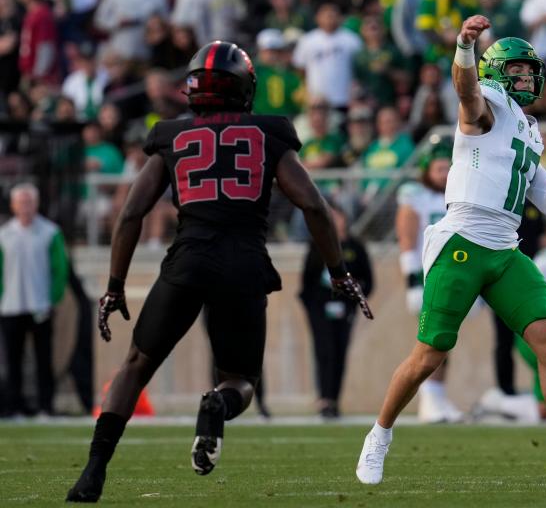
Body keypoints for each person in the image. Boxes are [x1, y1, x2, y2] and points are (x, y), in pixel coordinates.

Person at [66, 41, 372, 502]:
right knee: (241, 381)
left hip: (188, 259)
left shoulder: (171, 135)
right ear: (244, 88)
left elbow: (131, 213)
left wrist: (115, 286)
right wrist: (339, 271)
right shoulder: (269, 134)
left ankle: (92, 472)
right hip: (244, 263)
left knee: (134, 366)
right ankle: (216, 404)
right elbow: (312, 203)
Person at [356, 16, 546, 486]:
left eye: (528, 71)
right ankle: (379, 435)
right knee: (430, 355)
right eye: (517, 70)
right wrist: (464, 45)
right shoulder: (488, 100)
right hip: (463, 240)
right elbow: (465, 90)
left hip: (505, 247)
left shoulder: (530, 128)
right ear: (496, 72)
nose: (526, 78)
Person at [396, 140, 464, 423]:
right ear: (426, 170)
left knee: (445, 341)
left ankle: (437, 396)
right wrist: (412, 281)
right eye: (439, 168)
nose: (444, 174)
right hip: (428, 275)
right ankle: (428, 400)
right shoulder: (415, 196)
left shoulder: (456, 194)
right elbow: (407, 240)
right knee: (432, 341)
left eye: (447, 168)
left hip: (452, 274)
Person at [0, 183, 69, 417]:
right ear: (13, 205)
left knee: (43, 360)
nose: (25, 207)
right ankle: (14, 407)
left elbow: (60, 269)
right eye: (20, 202)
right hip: (10, 306)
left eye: (29, 202)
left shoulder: (50, 232)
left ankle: (45, 407)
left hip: (40, 305)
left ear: (36, 204)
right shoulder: (4, 234)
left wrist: (53, 298)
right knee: (13, 360)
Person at [300, 201, 373, 418]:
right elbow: (307, 281)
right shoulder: (316, 246)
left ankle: (334, 400)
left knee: (340, 351)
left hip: (345, 308)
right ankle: (323, 399)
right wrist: (313, 305)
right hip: (320, 308)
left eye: (337, 215)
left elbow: (368, 280)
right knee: (324, 351)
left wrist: (354, 299)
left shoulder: (355, 247)